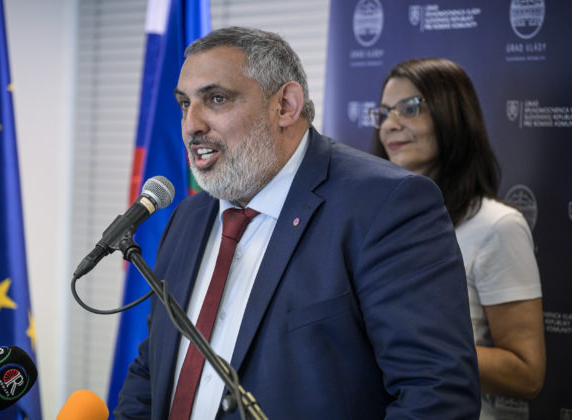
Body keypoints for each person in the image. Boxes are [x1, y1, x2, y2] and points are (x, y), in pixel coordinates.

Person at [115, 27, 480, 419]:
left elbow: (435, 394)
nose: (191, 124)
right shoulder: (187, 218)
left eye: (216, 99)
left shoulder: (387, 205)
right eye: (185, 104)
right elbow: (153, 370)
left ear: (286, 105)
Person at [370, 57, 546, 419]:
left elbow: (526, 374)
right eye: (384, 112)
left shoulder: (498, 225)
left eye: (410, 108)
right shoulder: (371, 219)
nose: (390, 124)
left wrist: (413, 348)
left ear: (453, 116)